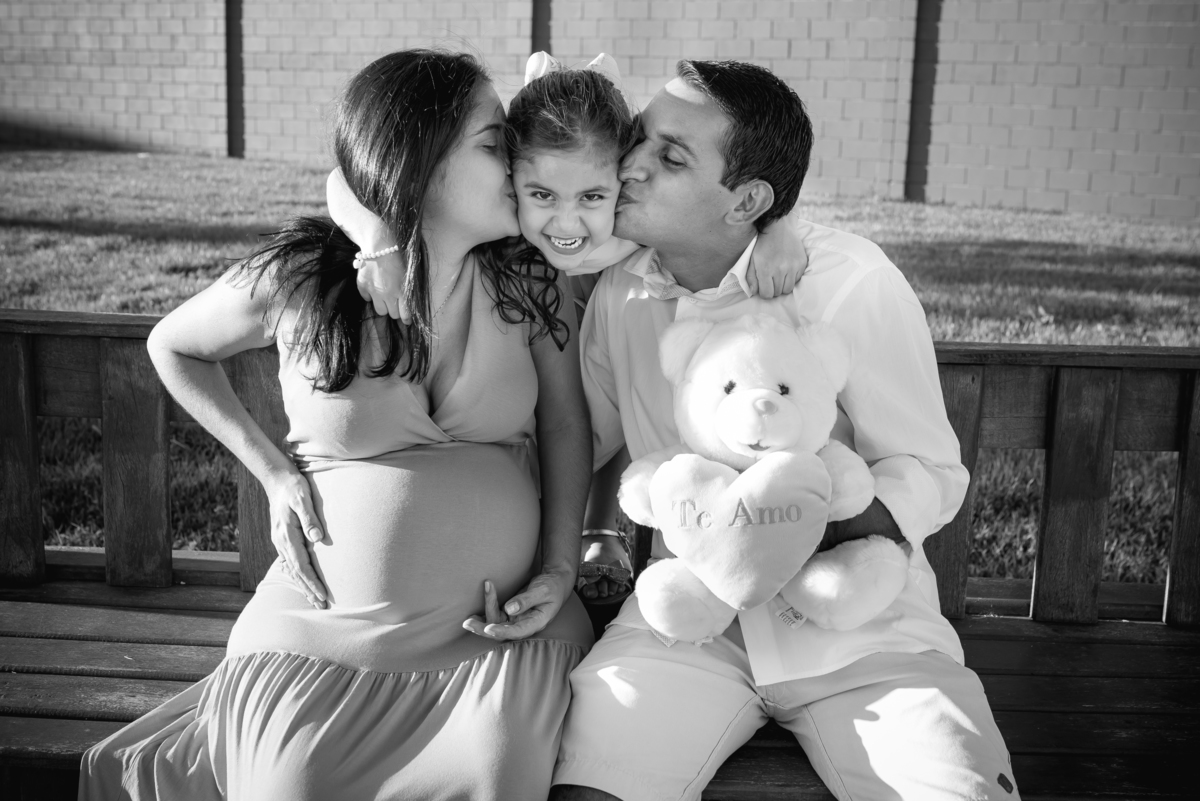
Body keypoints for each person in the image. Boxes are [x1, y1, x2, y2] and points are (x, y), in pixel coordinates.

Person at [79, 49, 594, 801]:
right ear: (420, 161)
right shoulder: (304, 277)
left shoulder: (528, 276)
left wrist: (560, 567)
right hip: (323, 634)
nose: (515, 165)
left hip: (498, 640)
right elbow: (174, 346)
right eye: (493, 144)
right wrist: (271, 472)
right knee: (289, 784)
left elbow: (566, 425)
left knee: (495, 771)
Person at [549, 60, 1020, 801]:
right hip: (688, 622)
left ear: (748, 201)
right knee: (586, 789)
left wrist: (784, 523)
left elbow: (932, 471)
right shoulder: (622, 291)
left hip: (865, 630)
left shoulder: (849, 282)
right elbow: (589, 439)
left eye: (672, 157)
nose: (631, 166)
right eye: (640, 139)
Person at [329, 52, 808, 610]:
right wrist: (375, 235)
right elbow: (344, 177)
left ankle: (598, 528)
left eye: (592, 197)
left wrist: (778, 227)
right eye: (541, 195)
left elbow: (731, 202)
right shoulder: (513, 209)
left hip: (593, 306)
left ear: (619, 176)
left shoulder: (631, 226)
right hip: (533, 310)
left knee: (604, 401)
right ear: (512, 173)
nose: (566, 219)